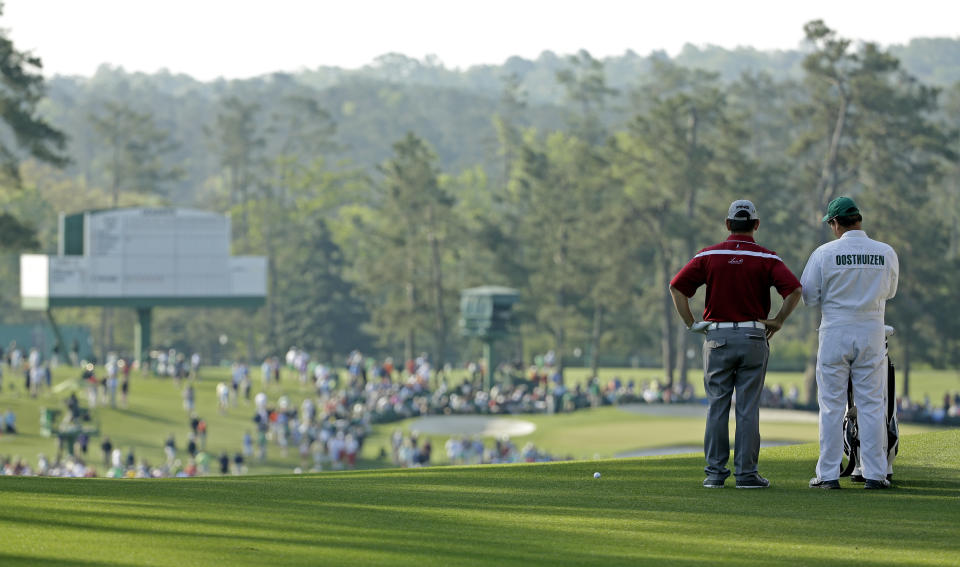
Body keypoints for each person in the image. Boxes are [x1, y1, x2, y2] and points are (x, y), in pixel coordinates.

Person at [670, 199, 802, 489]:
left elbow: (677, 287)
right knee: (747, 408)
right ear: (756, 225)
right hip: (754, 337)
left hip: (717, 337)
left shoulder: (709, 254)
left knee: (717, 406)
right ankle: (745, 474)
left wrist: (691, 324)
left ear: (728, 224)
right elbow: (794, 290)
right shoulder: (768, 258)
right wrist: (778, 320)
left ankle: (715, 474)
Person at [801, 196, 899, 490]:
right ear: (858, 219)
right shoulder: (885, 252)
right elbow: (890, 291)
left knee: (831, 406)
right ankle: (875, 473)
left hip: (835, 330)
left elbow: (808, 295)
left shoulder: (824, 253)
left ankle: (828, 475)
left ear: (834, 223)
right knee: (871, 404)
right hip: (871, 329)